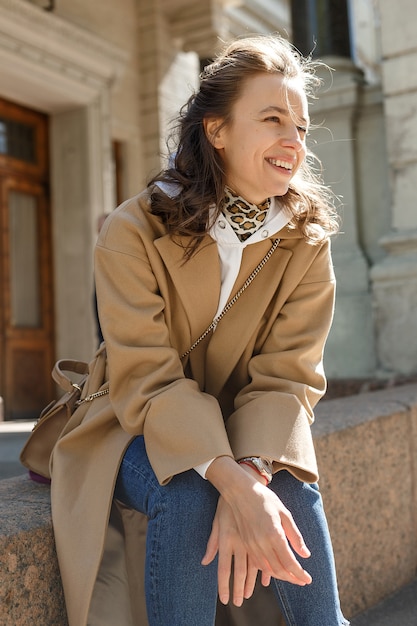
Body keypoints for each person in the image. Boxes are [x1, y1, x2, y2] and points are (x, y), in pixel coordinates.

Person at [51, 34, 350, 626]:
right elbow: (147, 378)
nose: (293, 141)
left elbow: (288, 376)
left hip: (243, 423)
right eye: (272, 119)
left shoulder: (307, 242)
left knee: (290, 482)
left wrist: (254, 474)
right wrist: (232, 486)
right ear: (217, 131)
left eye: (301, 127)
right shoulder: (132, 231)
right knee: (188, 490)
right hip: (127, 423)